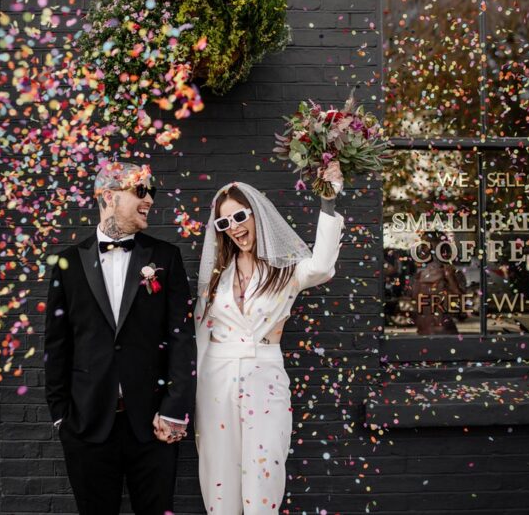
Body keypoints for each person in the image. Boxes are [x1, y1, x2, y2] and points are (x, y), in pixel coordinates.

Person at [44, 162, 197, 515]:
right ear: (109, 196)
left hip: (153, 425)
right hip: (87, 425)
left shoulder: (165, 258)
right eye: (140, 191)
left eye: (151, 193)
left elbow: (181, 338)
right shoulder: (68, 263)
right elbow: (57, 344)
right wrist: (61, 418)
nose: (150, 201)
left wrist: (175, 409)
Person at [194, 163, 344, 514]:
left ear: (256, 214)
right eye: (223, 222)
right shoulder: (217, 276)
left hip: (265, 373)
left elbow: (321, 266)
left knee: (265, 470)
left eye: (240, 216)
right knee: (218, 472)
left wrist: (328, 204)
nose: (234, 228)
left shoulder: (286, 269)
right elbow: (202, 332)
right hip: (217, 378)